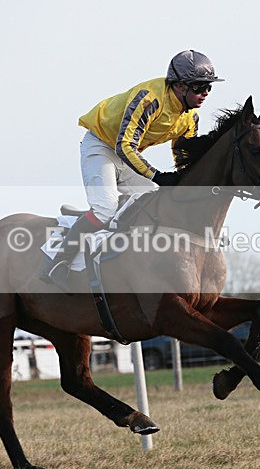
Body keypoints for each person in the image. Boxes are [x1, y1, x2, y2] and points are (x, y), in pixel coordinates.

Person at [47, 50, 224, 292]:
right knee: (105, 209)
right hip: (101, 145)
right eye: (199, 87)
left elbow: (183, 156)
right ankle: (61, 261)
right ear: (180, 86)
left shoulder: (190, 117)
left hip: (127, 154)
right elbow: (124, 145)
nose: (205, 93)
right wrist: (157, 176)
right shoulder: (150, 99)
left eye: (208, 87)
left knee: (151, 204)